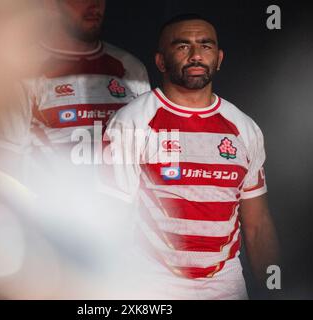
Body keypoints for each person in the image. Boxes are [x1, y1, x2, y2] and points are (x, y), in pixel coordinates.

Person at [104, 13, 280, 299]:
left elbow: (257, 223)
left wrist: (277, 289)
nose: (196, 55)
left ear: (219, 58)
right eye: (183, 46)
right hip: (151, 281)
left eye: (206, 46)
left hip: (225, 282)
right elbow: (111, 219)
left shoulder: (245, 129)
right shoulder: (132, 122)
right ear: (161, 61)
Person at [0, 0, 150, 165]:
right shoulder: (21, 70)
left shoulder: (131, 68)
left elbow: (143, 152)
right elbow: (4, 162)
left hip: (117, 190)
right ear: (50, 4)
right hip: (48, 190)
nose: (95, 5)